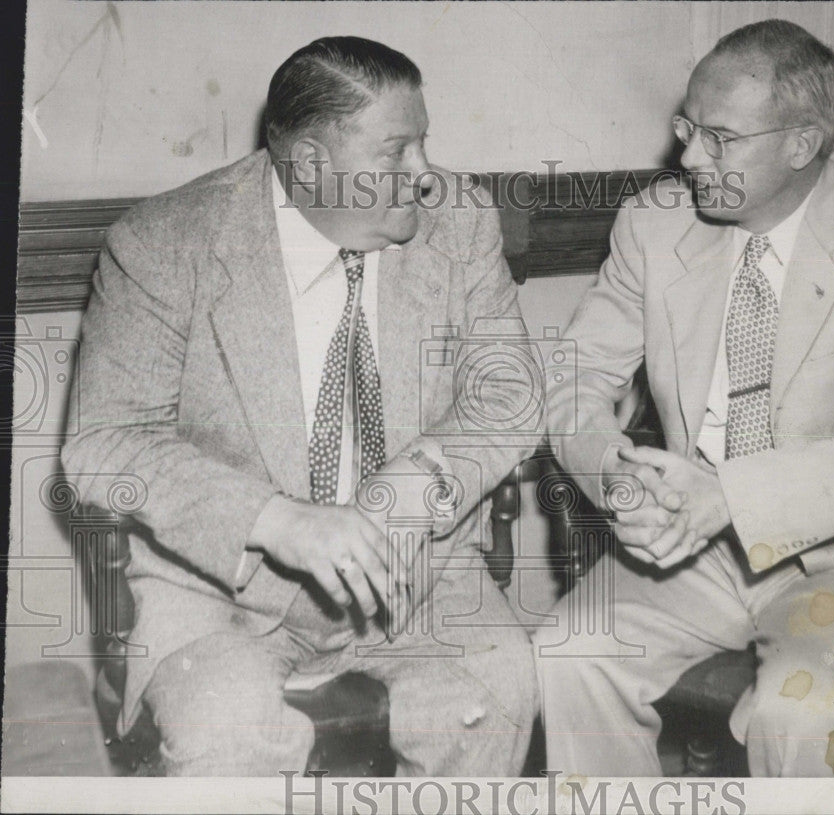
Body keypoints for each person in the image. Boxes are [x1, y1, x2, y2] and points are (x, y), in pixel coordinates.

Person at [61, 36, 538, 776]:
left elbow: (510, 394)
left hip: (423, 576)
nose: (424, 176)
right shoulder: (166, 243)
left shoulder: (460, 222)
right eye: (396, 153)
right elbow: (105, 443)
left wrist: (417, 480)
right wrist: (278, 521)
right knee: (228, 729)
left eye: (424, 145)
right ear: (313, 164)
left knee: (498, 688)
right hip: (218, 589)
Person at [538, 19, 834, 777]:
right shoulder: (653, 222)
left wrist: (733, 495)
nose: (686, 155)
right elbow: (572, 380)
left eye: (719, 137)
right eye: (686, 126)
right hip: (686, 548)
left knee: (795, 708)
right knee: (569, 651)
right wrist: (617, 475)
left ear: (800, 145)